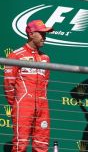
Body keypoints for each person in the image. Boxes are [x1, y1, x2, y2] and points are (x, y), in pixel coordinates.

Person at [3, 20, 53, 152]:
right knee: (21, 145)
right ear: (31, 34)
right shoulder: (15, 55)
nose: (44, 37)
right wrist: (19, 103)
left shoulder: (46, 58)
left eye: (45, 33)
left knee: (42, 145)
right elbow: (9, 85)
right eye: (41, 33)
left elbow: (46, 83)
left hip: (42, 106)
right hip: (23, 105)